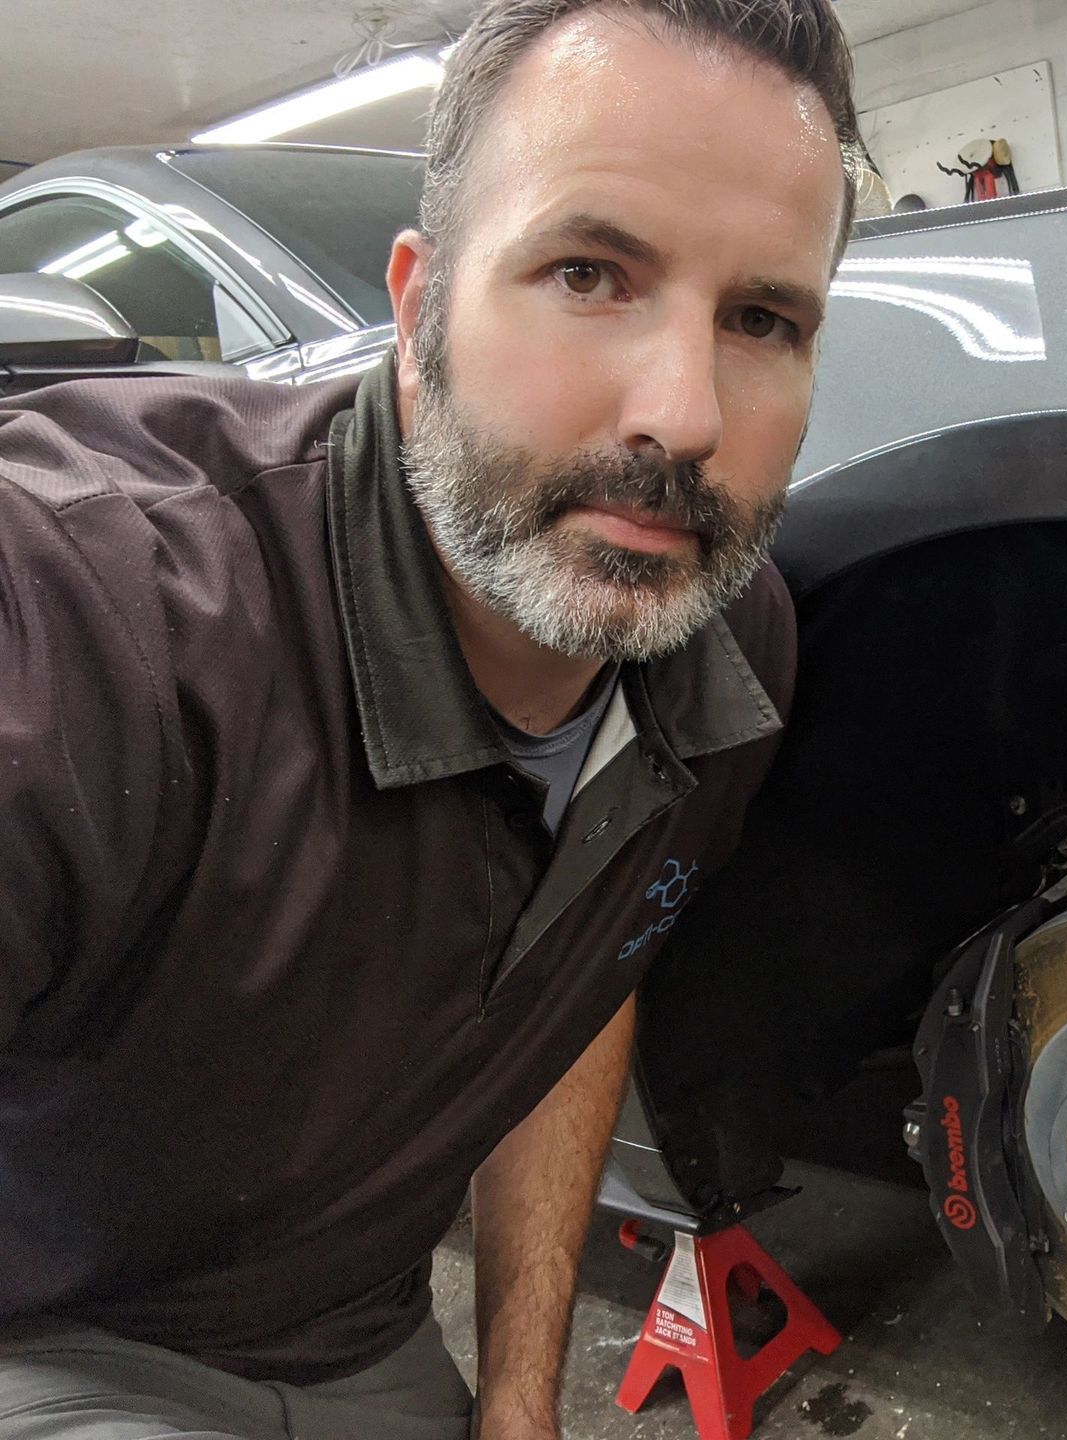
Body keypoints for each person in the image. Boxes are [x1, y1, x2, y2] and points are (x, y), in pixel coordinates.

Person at [0, 1, 858, 1436]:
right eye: (590, 273)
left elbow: (570, 975)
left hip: (359, 1334)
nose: (684, 412)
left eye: (762, 318)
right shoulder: (91, 621)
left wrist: (522, 1402)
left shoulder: (723, 649)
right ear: (414, 308)